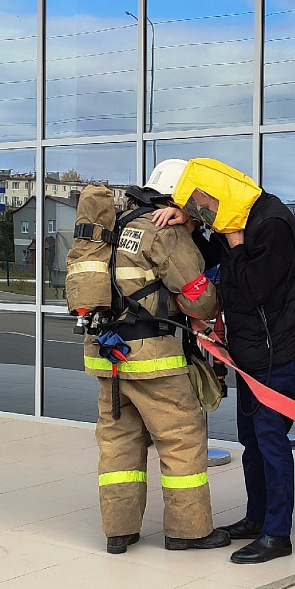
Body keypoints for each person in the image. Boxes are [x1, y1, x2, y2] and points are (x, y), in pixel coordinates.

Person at [158, 159, 295, 564]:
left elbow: (257, 286)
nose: (204, 212)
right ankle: (257, 518)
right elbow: (210, 258)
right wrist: (189, 224)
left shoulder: (272, 222)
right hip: (251, 353)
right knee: (252, 441)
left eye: (203, 205)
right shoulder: (237, 222)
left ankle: (277, 534)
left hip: (276, 354)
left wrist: (237, 243)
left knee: (271, 440)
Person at [86, 161, 230, 556]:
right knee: (182, 441)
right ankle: (188, 531)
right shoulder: (164, 230)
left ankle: (119, 531)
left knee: (118, 444)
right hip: (155, 360)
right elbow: (198, 299)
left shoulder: (112, 225)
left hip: (109, 357)